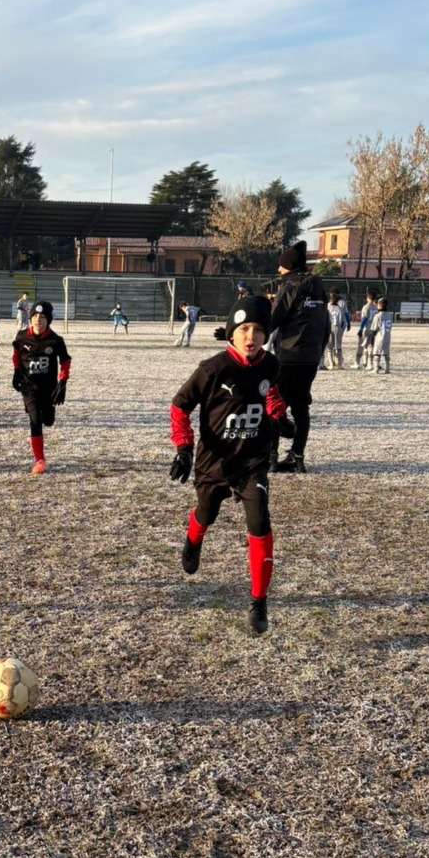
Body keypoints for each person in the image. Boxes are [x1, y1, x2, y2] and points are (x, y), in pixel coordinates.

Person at [167, 295, 294, 634]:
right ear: (232, 333)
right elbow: (180, 406)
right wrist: (183, 448)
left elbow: (270, 394)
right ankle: (194, 539)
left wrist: (280, 418)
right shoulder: (212, 369)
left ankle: (258, 601)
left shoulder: (270, 365)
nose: (250, 336)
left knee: (260, 520)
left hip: (252, 462)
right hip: (214, 463)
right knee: (206, 511)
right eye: (244, 329)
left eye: (257, 330)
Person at [268, 240, 329, 474]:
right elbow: (326, 324)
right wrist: (318, 350)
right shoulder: (319, 288)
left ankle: (271, 457)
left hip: (288, 356)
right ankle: (298, 455)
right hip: (310, 358)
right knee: (301, 407)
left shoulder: (290, 287)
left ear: (288, 266)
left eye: (281, 266)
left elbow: (274, 319)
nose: (278, 270)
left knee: (275, 406)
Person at [11, 300, 72, 474]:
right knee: (35, 420)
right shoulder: (21, 337)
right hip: (29, 387)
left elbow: (65, 360)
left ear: (49, 320)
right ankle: (40, 460)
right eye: (35, 316)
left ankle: (47, 412)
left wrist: (62, 382)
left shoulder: (56, 340)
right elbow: (16, 355)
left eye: (43, 317)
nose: (38, 320)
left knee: (48, 421)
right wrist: (16, 373)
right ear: (31, 319)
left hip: (49, 387)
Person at [323, 290, 350, 369]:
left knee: (329, 346)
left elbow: (326, 318)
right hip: (338, 327)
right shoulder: (339, 307)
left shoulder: (328, 306)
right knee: (338, 346)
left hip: (330, 326)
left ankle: (331, 364)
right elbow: (342, 318)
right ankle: (339, 364)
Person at [353, 290, 379, 369]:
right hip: (374, 329)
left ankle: (357, 363)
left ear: (368, 298)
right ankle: (368, 363)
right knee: (371, 346)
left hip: (367, 328)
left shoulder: (366, 307)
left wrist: (360, 329)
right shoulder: (376, 307)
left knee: (361, 345)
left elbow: (364, 319)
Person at [370, 298, 394, 373]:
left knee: (377, 352)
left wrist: (372, 339)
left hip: (379, 336)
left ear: (380, 305)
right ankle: (387, 369)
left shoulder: (377, 316)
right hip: (387, 336)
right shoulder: (389, 315)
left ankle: (376, 369)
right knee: (386, 352)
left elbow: (374, 329)